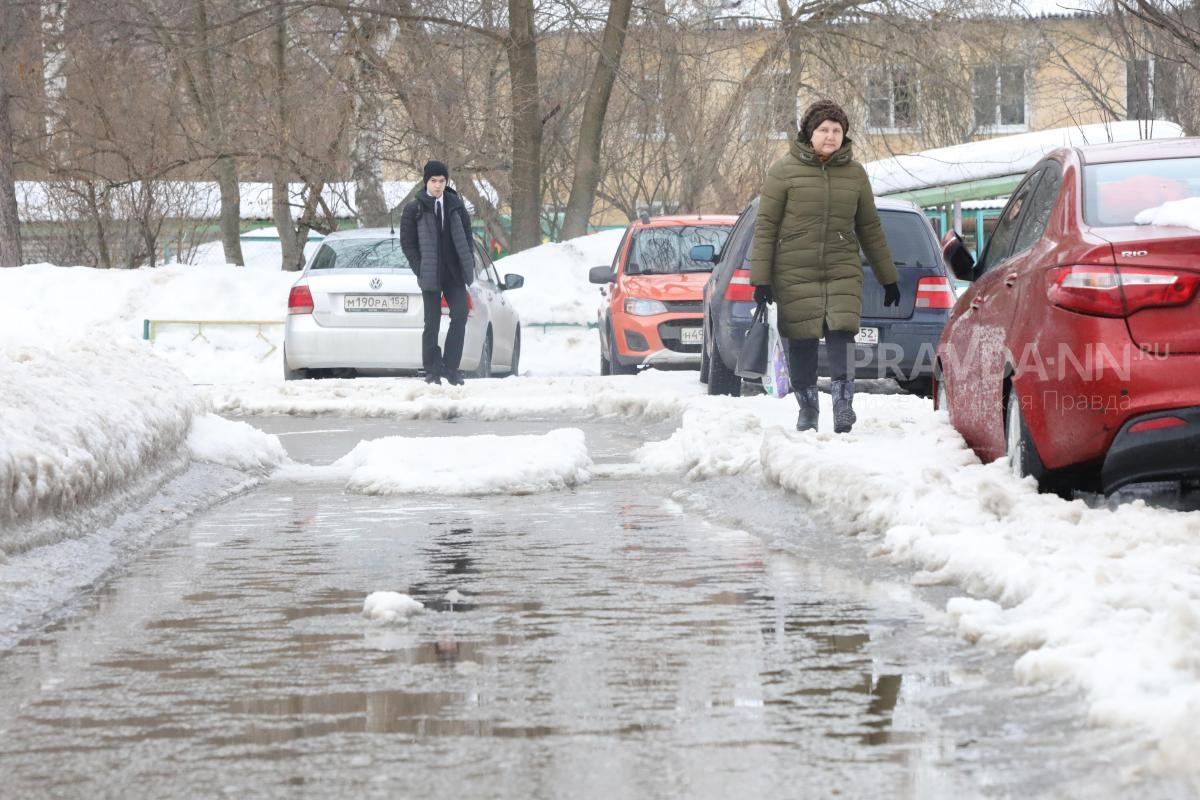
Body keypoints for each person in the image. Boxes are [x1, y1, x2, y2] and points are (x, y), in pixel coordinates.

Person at [750, 100, 901, 434]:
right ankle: (807, 409)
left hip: (841, 267)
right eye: (823, 130)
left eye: (837, 130)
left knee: (842, 334)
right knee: (801, 340)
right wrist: (761, 280)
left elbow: (870, 228)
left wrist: (888, 277)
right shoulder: (783, 171)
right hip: (794, 270)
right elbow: (766, 226)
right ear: (809, 132)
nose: (830, 136)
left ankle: (843, 404)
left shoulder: (855, 173)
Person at [400, 160, 475, 385]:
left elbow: (468, 237)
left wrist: (467, 262)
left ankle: (450, 367)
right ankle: (432, 370)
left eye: (442, 181)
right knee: (431, 322)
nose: (438, 185)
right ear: (426, 182)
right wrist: (420, 267)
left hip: (453, 272)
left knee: (460, 314)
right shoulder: (415, 208)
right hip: (430, 272)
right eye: (433, 181)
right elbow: (408, 243)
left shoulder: (456, 206)